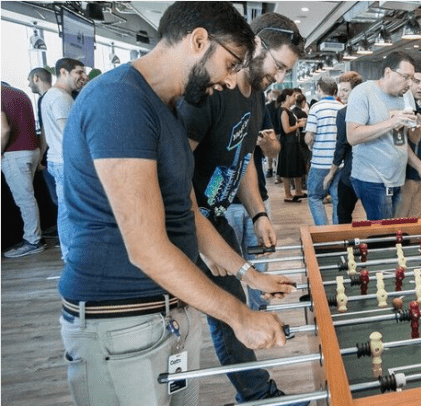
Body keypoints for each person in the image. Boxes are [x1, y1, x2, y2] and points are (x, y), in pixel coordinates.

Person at [58, 3, 296, 404]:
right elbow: (146, 248)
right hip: (120, 322)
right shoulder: (119, 101)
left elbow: (187, 212)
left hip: (169, 314)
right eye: (230, 62)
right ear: (198, 40)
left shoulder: (165, 108)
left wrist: (247, 274)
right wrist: (239, 315)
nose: (230, 78)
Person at [178, 12, 304, 403]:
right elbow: (175, 174)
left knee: (232, 308)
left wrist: (259, 212)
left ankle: (256, 393)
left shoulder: (257, 98)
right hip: (189, 225)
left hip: (218, 219)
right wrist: (203, 242)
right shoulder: (212, 94)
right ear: (256, 45)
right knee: (222, 312)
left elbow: (244, 157)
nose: (279, 77)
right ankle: (256, 393)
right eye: (278, 66)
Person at [346, 51, 421, 220]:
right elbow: (352, 136)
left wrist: (416, 126)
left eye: (412, 79)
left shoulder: (406, 96)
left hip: (398, 178)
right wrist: (392, 122)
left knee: (394, 230)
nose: (410, 84)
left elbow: (407, 141)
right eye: (406, 77)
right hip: (372, 179)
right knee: (384, 234)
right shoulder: (363, 92)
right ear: (388, 72)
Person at [41, 57, 86, 259]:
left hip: (59, 160)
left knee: (69, 210)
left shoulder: (53, 95)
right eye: (78, 72)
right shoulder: (60, 98)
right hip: (66, 162)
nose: (83, 77)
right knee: (68, 211)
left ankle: (73, 253)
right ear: (63, 72)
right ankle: (70, 255)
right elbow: (70, 134)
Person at [1, 82, 44, 258]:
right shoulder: (21, 94)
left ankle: (33, 241)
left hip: (14, 154)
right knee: (28, 197)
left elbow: (3, 130)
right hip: (32, 151)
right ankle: (34, 236)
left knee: (24, 199)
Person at [304, 77, 344, 225]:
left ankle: (323, 230)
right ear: (335, 91)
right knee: (337, 199)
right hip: (339, 162)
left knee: (314, 197)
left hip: (320, 162)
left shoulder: (316, 108)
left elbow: (309, 137)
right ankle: (337, 233)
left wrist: (309, 144)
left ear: (319, 90)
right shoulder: (342, 107)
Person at [325, 71, 363, 224]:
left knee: (343, 213)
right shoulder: (371, 109)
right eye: (340, 89)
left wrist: (331, 173)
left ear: (357, 90)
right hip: (373, 170)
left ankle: (347, 246)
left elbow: (341, 145)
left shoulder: (344, 113)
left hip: (352, 170)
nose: (341, 93)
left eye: (345, 90)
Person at [395, 65, 421, 218]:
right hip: (406, 173)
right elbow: (401, 143)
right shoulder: (402, 104)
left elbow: (414, 139)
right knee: (400, 223)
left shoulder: (413, 105)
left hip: (415, 174)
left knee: (412, 221)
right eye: (417, 81)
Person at [27, 68, 56, 209]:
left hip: (52, 157)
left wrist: (42, 158)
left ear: (36, 78)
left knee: (58, 199)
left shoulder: (45, 99)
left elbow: (45, 131)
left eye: (29, 80)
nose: (28, 85)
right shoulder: (58, 96)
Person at [276, 88, 306, 201]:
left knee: (296, 167)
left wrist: (298, 121)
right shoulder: (284, 111)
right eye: (293, 96)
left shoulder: (288, 110)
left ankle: (298, 191)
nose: (295, 99)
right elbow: (287, 129)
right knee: (287, 169)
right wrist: (299, 125)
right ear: (287, 97)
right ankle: (287, 194)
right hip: (288, 144)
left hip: (293, 143)